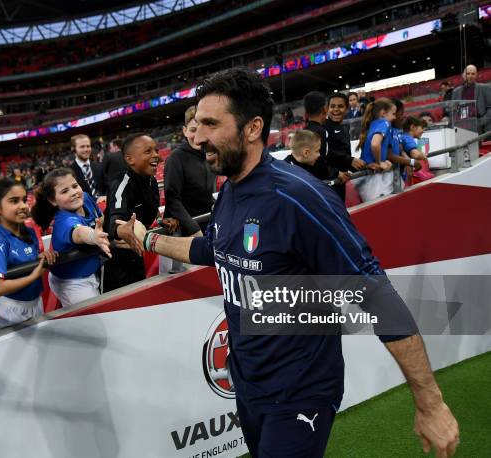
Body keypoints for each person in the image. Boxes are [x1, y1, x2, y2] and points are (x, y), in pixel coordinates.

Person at [134, 67, 459, 458]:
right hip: (249, 386)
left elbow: (375, 296)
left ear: (252, 128)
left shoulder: (297, 198)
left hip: (299, 393)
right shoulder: (231, 190)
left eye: (210, 124)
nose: (198, 136)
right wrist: (147, 238)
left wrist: (430, 403)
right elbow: (210, 250)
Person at [103, 133, 178, 292]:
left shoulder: (150, 180)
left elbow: (145, 211)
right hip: (114, 261)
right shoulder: (121, 183)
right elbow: (114, 222)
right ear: (130, 159)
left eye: (156, 150)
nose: (156, 155)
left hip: (136, 253)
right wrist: (120, 229)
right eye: (148, 151)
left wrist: (159, 222)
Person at [0, 178, 57, 332]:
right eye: (14, 201)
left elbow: (30, 257)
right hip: (8, 311)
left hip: (35, 303)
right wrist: (32, 276)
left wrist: (43, 256)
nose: (23, 206)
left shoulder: (30, 231)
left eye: (24, 200)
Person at [32, 168, 110, 307]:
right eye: (64, 191)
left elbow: (100, 219)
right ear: (53, 200)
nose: (74, 193)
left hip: (92, 271)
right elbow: (79, 232)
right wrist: (94, 236)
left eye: (75, 186)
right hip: (73, 283)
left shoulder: (85, 197)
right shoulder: (63, 221)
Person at [163, 105, 215, 236]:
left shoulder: (208, 153)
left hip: (207, 224)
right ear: (185, 131)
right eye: (193, 130)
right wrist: (193, 228)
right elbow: (172, 200)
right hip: (186, 230)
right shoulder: (175, 158)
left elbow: (205, 195)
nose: (197, 136)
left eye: (201, 130)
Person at [326, 92, 366, 201]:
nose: (336, 109)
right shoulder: (323, 128)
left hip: (341, 183)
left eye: (340, 106)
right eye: (332, 106)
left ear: (346, 109)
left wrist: (364, 166)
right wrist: (350, 159)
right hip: (327, 185)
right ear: (327, 108)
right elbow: (324, 153)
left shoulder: (345, 129)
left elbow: (346, 159)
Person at [303, 91, 346, 192]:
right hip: (319, 186)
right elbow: (319, 163)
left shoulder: (305, 130)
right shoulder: (321, 131)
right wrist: (336, 173)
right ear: (325, 109)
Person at [354, 98, 396, 202]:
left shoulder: (372, 124)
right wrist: (379, 162)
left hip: (368, 174)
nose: (394, 117)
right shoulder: (384, 123)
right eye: (393, 114)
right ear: (383, 113)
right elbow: (375, 144)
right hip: (373, 178)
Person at [451, 65, 491, 133]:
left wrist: (481, 122)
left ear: (476, 75)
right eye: (468, 73)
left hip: (482, 126)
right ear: (463, 75)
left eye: (473, 74)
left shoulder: (485, 88)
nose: (470, 76)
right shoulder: (456, 91)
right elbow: (454, 111)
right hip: (463, 127)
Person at [70, 134, 106, 203]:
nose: (86, 149)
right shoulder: (70, 172)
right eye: (82, 147)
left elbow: (108, 187)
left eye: (88, 146)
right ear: (73, 149)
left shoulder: (99, 166)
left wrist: (105, 197)